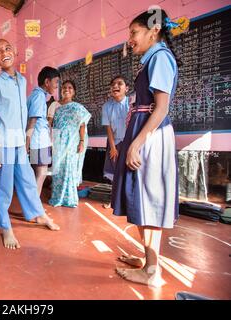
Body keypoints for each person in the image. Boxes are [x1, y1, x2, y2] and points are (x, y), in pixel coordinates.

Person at [112, 9, 180, 288]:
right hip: (142, 131)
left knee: (149, 201)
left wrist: (137, 143)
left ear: (153, 30)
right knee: (140, 199)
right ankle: (147, 260)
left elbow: (161, 108)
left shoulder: (161, 58)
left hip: (150, 136)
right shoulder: (150, 59)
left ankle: (153, 272)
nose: (130, 39)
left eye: (134, 32)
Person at [0, 38, 60, 250]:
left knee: (28, 181)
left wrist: (26, 142)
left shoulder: (23, 81)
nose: (3, 53)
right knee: (4, 187)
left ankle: (38, 215)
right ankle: (5, 226)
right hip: (3, 144)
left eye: (7, 48)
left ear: (15, 52)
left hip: (19, 143)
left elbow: (25, 115)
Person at [49, 80, 91, 208]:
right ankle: (57, 197)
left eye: (70, 88)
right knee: (58, 168)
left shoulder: (77, 107)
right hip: (58, 141)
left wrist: (82, 142)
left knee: (69, 168)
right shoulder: (55, 105)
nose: (66, 89)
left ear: (74, 92)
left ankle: (70, 198)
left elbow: (82, 125)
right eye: (64, 87)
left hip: (73, 141)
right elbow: (49, 122)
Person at [26, 66, 60, 198]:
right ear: (47, 82)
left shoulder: (34, 95)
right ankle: (33, 207)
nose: (57, 85)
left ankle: (33, 206)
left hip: (37, 141)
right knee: (41, 173)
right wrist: (26, 145)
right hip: (38, 141)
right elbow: (32, 121)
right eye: (56, 82)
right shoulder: (39, 97)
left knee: (37, 174)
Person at [101, 75, 130, 208]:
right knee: (116, 172)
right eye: (113, 84)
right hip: (114, 143)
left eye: (120, 84)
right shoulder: (107, 106)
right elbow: (108, 128)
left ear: (127, 88)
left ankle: (129, 202)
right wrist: (113, 147)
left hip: (130, 142)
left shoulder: (132, 103)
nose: (115, 86)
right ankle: (114, 200)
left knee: (130, 171)